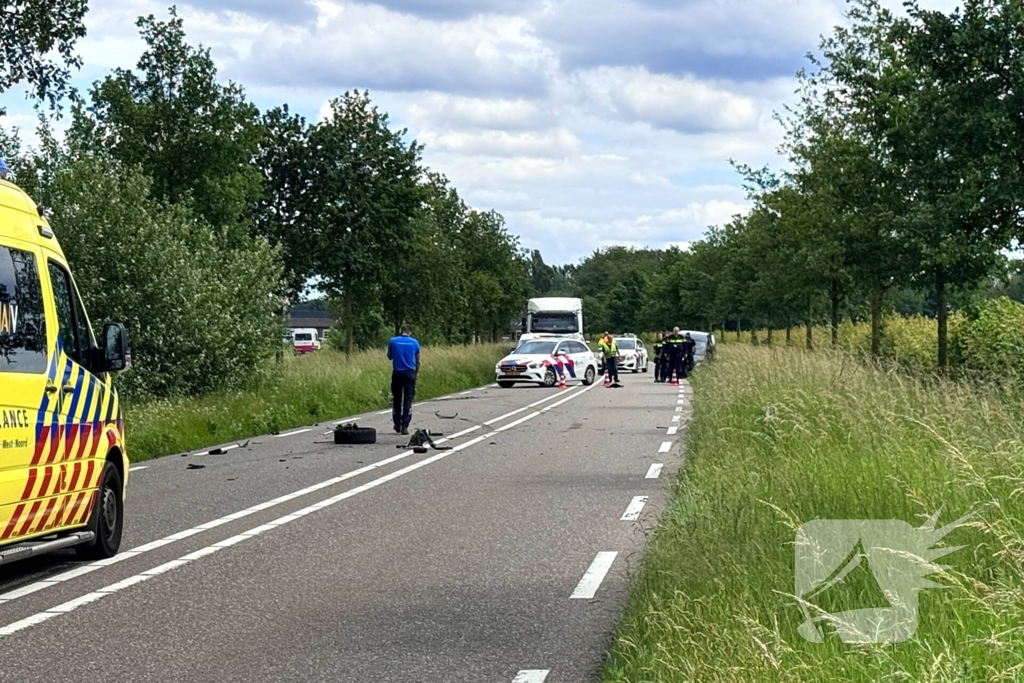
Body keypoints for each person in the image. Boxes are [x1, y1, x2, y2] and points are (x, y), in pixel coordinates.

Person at [387, 324, 421, 435]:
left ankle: (397, 424)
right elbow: (418, 361)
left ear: (401, 330)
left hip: (397, 373)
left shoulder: (393, 341)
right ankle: (405, 425)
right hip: (409, 373)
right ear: (410, 332)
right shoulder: (415, 342)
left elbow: (389, 356)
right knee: (408, 399)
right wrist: (416, 373)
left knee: (397, 399)